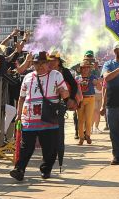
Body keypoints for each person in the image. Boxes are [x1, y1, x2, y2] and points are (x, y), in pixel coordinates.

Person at [10, 51, 68, 181]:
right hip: (29, 118)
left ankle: (46, 169)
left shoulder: (56, 75)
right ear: (33, 64)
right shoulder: (27, 77)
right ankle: (19, 169)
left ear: (48, 64)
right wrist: (19, 115)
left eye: (43, 63)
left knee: (49, 148)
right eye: (37, 63)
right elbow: (21, 98)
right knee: (26, 146)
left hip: (48, 118)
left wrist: (63, 92)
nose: (40, 66)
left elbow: (65, 93)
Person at [74, 59, 99, 145]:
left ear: (89, 69)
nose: (85, 69)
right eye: (83, 68)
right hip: (80, 100)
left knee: (89, 118)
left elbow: (97, 84)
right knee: (80, 119)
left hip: (90, 99)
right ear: (81, 69)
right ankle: (81, 138)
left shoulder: (92, 77)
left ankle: (87, 135)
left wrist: (98, 81)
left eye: (87, 68)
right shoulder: (77, 78)